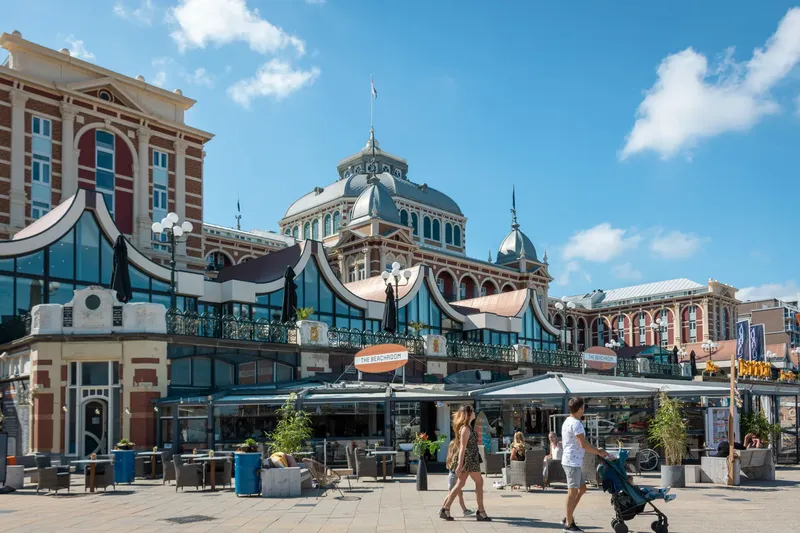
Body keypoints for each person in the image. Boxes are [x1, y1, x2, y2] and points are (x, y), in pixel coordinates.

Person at [562, 397, 608, 533]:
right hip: (572, 462)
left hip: (572, 461)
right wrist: (599, 452)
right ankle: (569, 524)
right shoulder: (577, 423)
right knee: (572, 492)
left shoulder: (567, 421)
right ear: (580, 409)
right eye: (583, 408)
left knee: (582, 489)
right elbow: (583, 444)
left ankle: (567, 516)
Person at [440, 405, 491, 522]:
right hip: (469, 460)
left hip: (471, 459)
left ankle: (445, 509)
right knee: (478, 482)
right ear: (468, 414)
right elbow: (462, 448)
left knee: (460, 485)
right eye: (472, 411)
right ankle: (481, 511)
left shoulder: (467, 427)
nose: (474, 412)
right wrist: (459, 465)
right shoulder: (465, 429)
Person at [443, 439, 474, 516]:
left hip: (452, 479)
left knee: (460, 495)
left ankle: (465, 510)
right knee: (451, 495)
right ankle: (443, 509)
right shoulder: (455, 460)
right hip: (454, 479)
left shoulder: (450, 457)